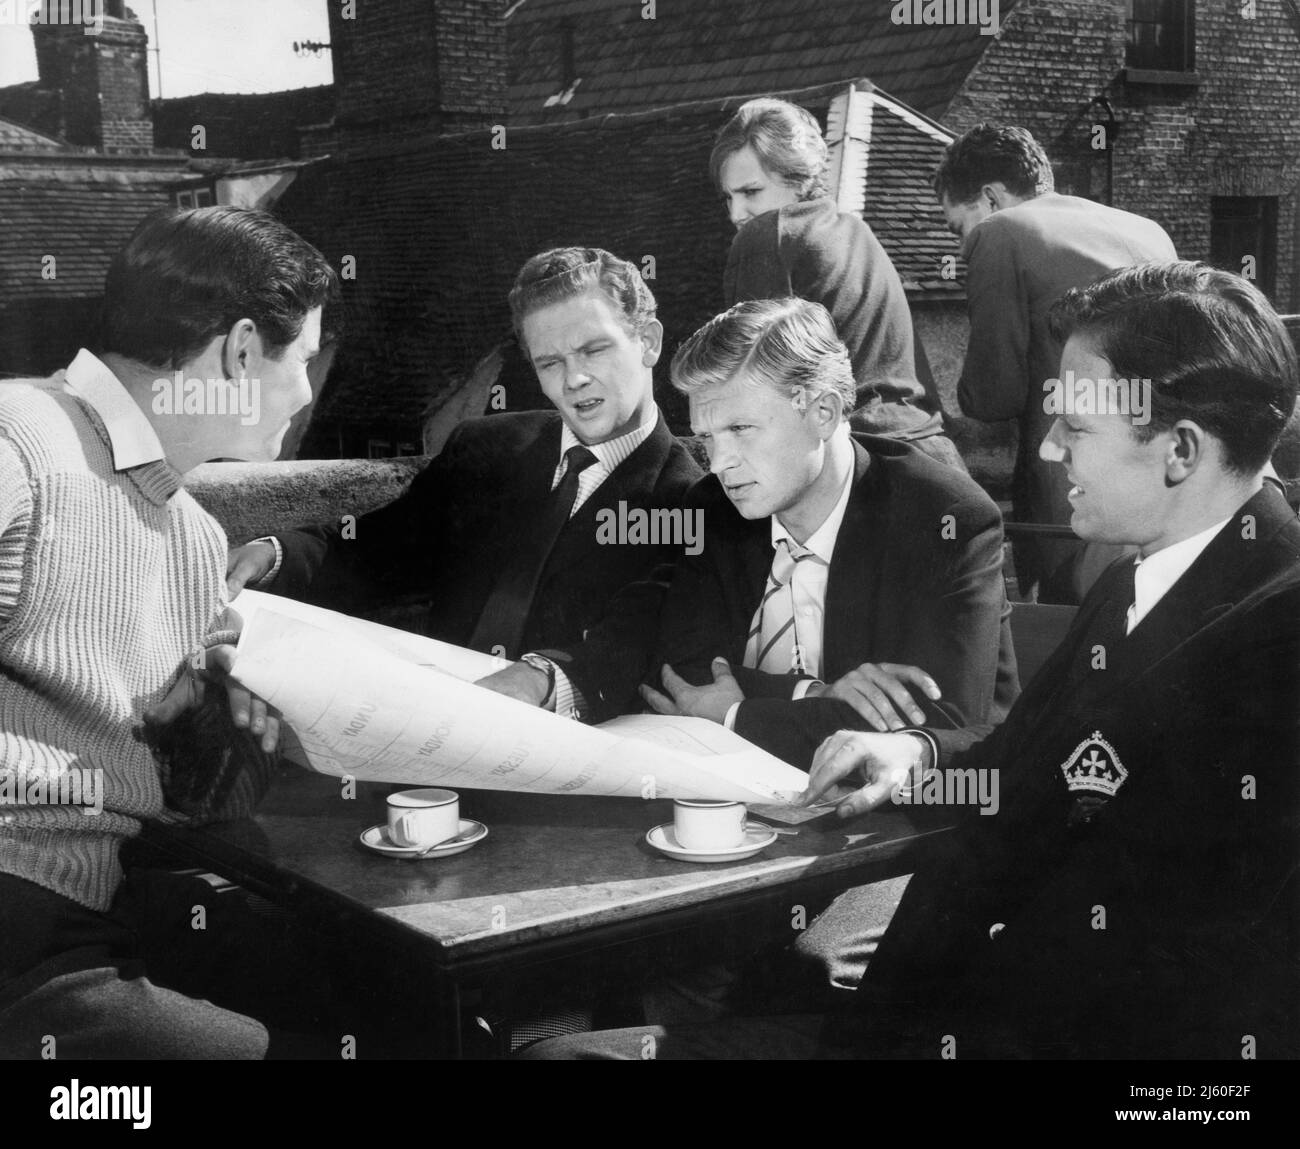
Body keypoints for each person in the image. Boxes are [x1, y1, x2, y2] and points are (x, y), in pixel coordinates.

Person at [520, 261, 1300, 1060]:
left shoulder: (1276, 640)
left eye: (1076, 425)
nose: (1052, 450)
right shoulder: (1143, 574)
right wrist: (910, 756)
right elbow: (1009, 764)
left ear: (1179, 451)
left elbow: (1181, 992)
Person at [0, 206, 349, 1058]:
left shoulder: (190, 530)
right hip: (25, 940)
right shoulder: (20, 436)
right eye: (303, 358)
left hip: (108, 906)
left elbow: (190, 796)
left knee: (379, 1004)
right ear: (238, 352)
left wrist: (223, 726)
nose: (309, 392)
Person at [227, 247, 701, 723]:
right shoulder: (486, 446)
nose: (574, 379)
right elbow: (372, 552)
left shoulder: (689, 500)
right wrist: (273, 555)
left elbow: (640, 634)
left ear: (650, 342)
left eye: (594, 349)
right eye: (549, 362)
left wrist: (543, 678)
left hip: (559, 758)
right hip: (425, 733)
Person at [639, 297, 1017, 773]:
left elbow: (930, 727)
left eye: (740, 428)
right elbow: (675, 673)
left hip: (920, 820)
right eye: (707, 437)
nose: (719, 462)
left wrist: (735, 714)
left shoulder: (945, 519)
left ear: (824, 412)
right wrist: (815, 692)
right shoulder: (712, 506)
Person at [935, 122, 1177, 603]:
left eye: (957, 226)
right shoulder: (1149, 231)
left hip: (1071, 482)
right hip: (1167, 470)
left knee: (1064, 634)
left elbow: (991, 394)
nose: (962, 244)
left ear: (990, 197)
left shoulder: (999, 232)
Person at [713, 97, 965, 469]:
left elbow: (752, 386)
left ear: (798, 178)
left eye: (751, 192)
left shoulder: (767, 235)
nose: (737, 214)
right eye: (728, 197)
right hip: (933, 457)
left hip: (864, 461)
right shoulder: (855, 230)